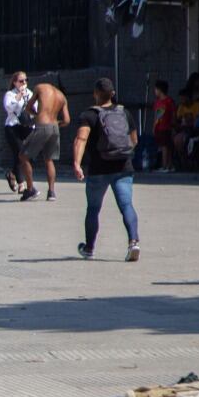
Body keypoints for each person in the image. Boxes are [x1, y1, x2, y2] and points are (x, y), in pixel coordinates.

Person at [72, 78, 141, 263]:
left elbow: (81, 139)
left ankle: (89, 248)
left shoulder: (89, 115)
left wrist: (77, 164)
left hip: (98, 169)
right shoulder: (124, 112)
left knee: (93, 209)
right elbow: (134, 140)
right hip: (123, 167)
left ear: (95, 93)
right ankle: (133, 242)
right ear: (113, 94)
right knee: (126, 205)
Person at [23, 81, 71, 201]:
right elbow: (66, 120)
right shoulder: (62, 97)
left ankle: (30, 189)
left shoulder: (40, 87)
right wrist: (55, 123)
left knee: (23, 156)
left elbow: (28, 107)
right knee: (49, 159)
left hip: (42, 125)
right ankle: (51, 192)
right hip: (55, 128)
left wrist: (37, 115)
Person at [1, 72, 34, 197]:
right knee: (20, 153)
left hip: (27, 127)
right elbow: (9, 108)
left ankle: (12, 174)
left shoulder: (30, 93)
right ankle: (21, 184)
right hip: (13, 127)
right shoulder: (10, 94)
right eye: (21, 81)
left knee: (26, 156)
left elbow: (35, 108)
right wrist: (19, 96)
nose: (24, 83)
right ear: (15, 82)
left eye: (26, 80)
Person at [151, 80, 176, 172]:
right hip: (164, 127)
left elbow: (158, 116)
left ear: (159, 90)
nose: (155, 91)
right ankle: (169, 165)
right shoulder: (167, 101)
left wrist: (154, 126)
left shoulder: (163, 102)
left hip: (163, 127)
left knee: (165, 146)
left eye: (156, 89)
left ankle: (165, 165)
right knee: (167, 146)